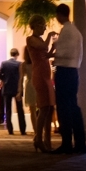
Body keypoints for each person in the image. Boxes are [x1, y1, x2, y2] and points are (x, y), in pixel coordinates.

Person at [51, 4, 86, 155]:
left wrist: (52, 54)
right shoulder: (76, 31)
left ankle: (66, 143)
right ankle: (80, 143)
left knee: (64, 108)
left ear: (59, 14)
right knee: (73, 107)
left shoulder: (66, 30)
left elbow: (64, 52)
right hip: (73, 72)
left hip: (64, 71)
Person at [25, 17, 54, 151]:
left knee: (49, 107)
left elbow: (45, 54)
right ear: (35, 26)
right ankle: (38, 138)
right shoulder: (31, 39)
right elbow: (43, 47)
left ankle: (45, 139)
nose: (44, 28)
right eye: (43, 26)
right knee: (43, 107)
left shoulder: (41, 40)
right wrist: (49, 37)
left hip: (46, 75)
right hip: (39, 75)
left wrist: (53, 49)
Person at [0, 48, 24, 135]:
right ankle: (22, 130)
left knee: (8, 109)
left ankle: (10, 130)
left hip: (7, 88)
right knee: (20, 109)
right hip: (17, 88)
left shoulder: (4, 63)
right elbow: (21, 76)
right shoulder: (19, 64)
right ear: (17, 54)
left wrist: (4, 80)